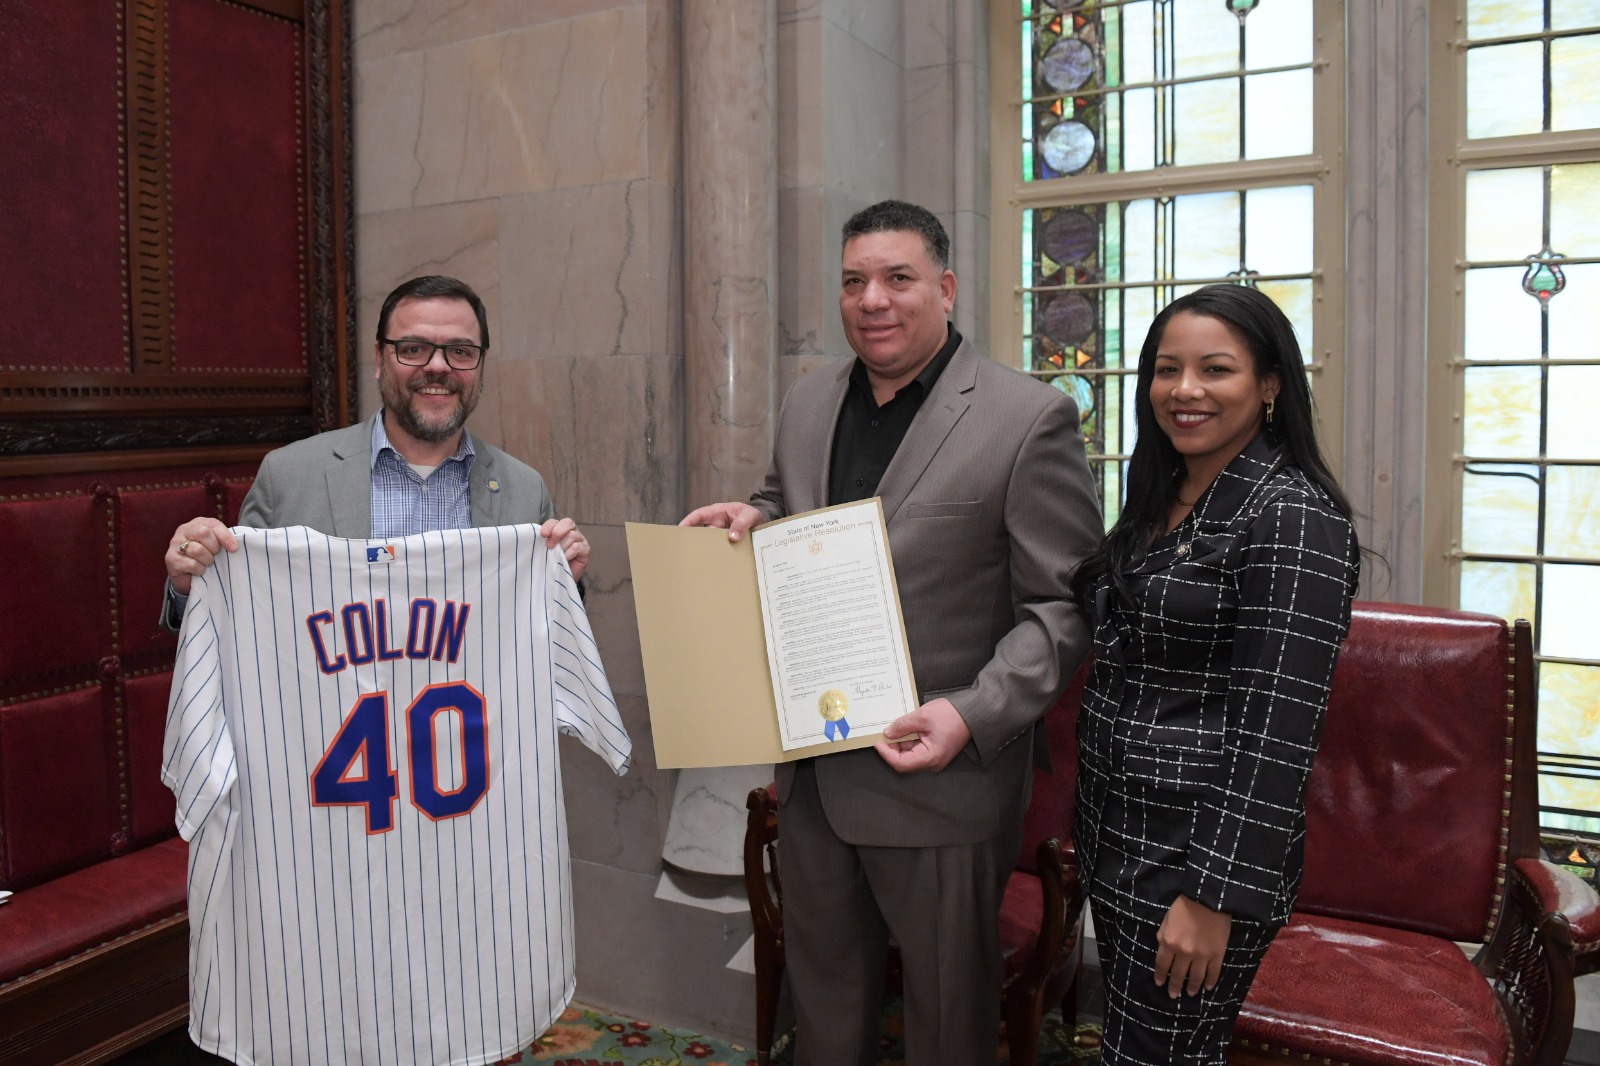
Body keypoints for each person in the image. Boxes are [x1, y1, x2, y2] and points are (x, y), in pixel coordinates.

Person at [682, 200, 1101, 1065]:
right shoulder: (808, 401)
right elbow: (787, 507)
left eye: (897, 279)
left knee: (949, 1025)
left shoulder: (1027, 418)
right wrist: (751, 520)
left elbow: (1060, 610)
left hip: (942, 777)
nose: (872, 299)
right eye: (853, 282)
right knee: (826, 1012)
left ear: (944, 288)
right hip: (812, 771)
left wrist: (971, 714)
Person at [1071, 284, 1361, 1063]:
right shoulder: (1167, 492)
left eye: (1216, 370)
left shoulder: (1291, 515)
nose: (1186, 390)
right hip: (1123, 836)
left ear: (1269, 386)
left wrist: (1214, 897)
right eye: (1168, 370)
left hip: (1197, 860)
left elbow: (1279, 728)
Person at [161, 275, 588, 628]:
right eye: (414, 349)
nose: (438, 366)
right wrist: (188, 585)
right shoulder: (288, 477)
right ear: (380, 359)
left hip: (472, 728)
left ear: (479, 365)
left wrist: (569, 583)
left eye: (460, 351)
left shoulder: (523, 490)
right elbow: (240, 626)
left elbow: (544, 641)